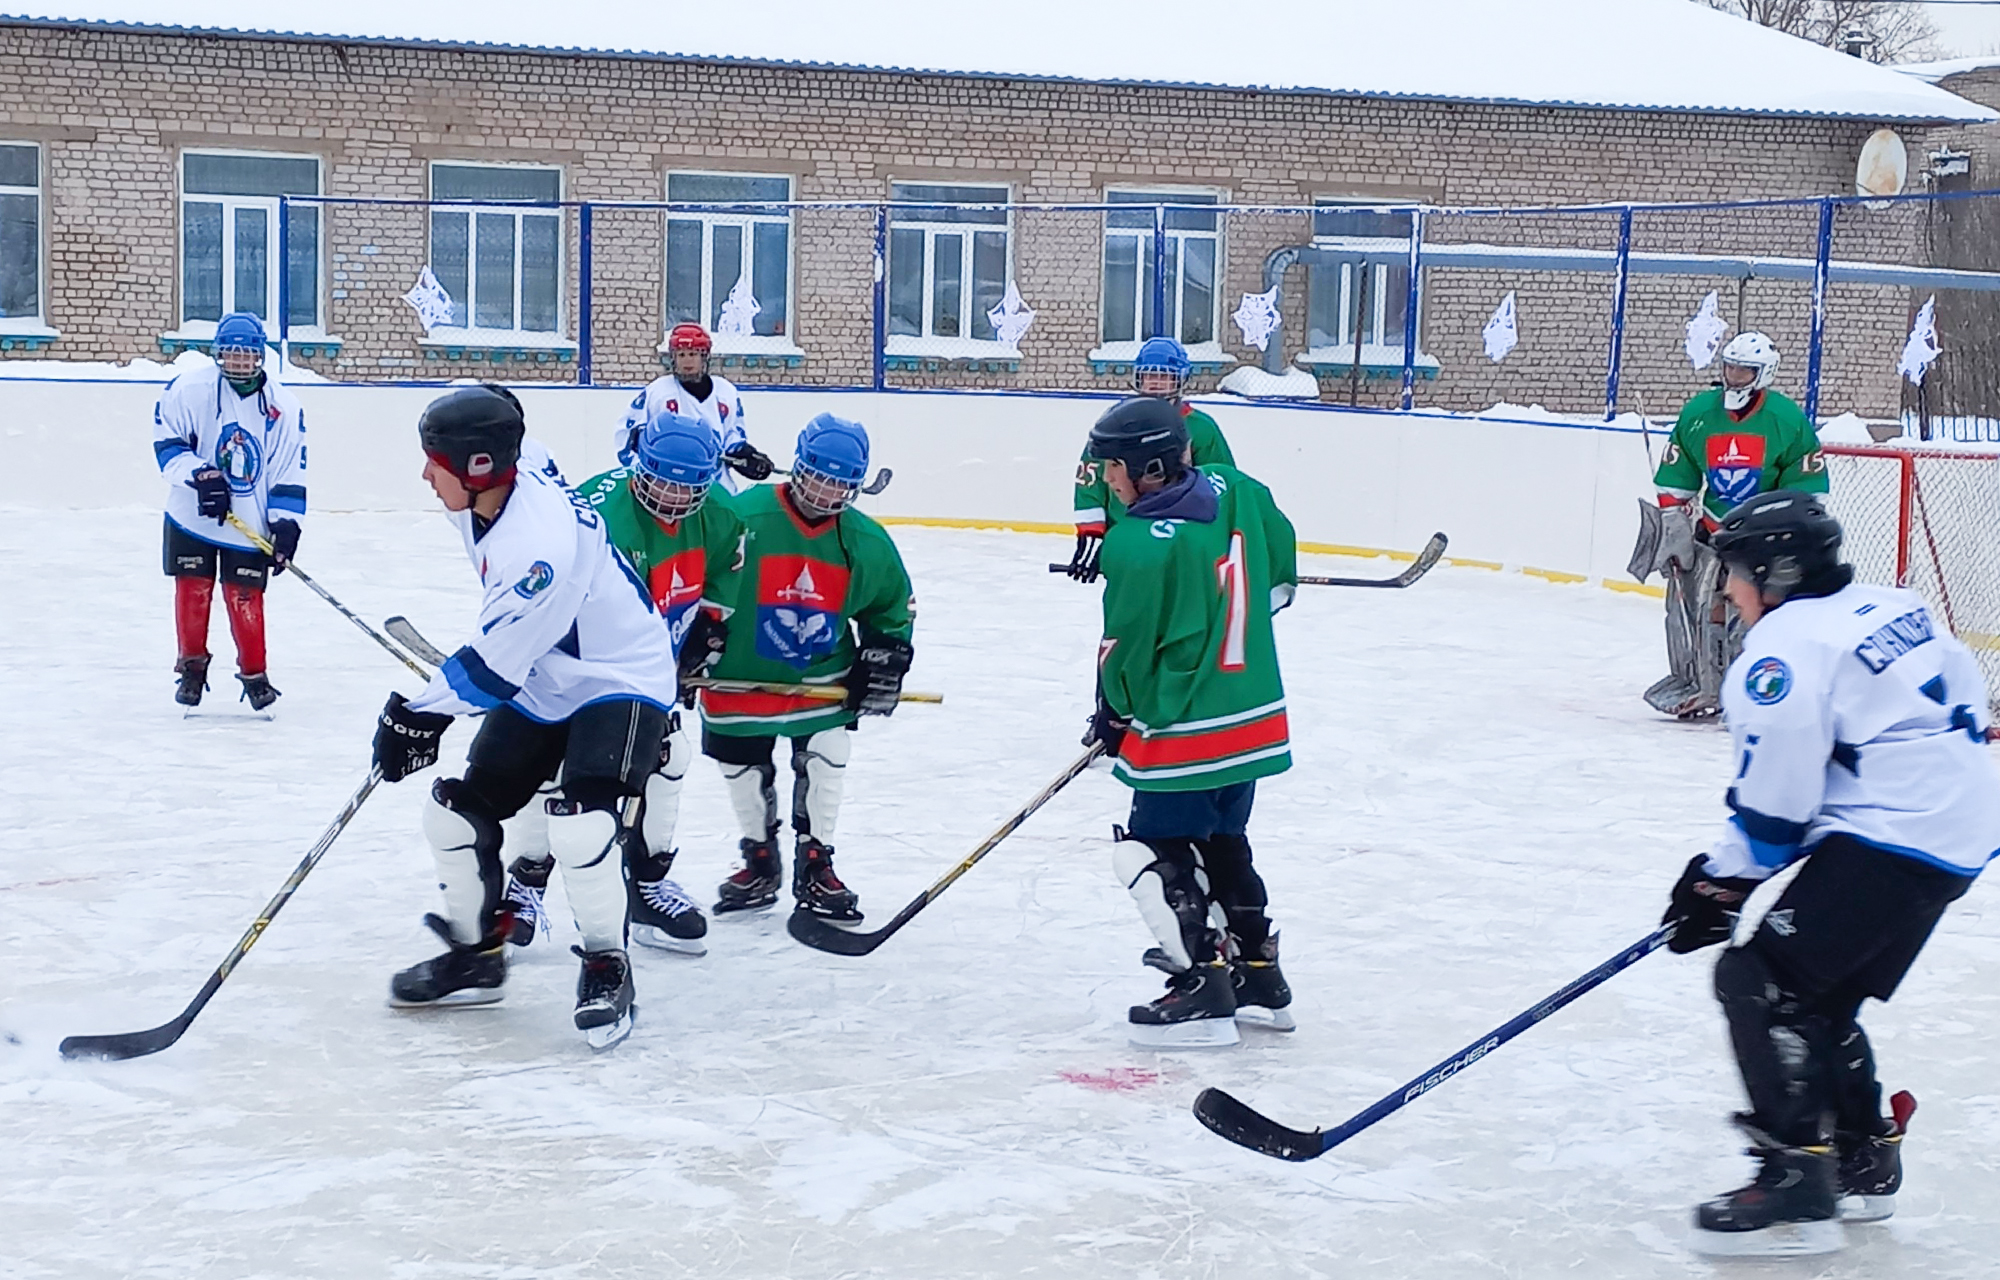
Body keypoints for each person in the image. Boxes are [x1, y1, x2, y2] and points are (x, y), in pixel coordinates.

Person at [1659, 490, 2000, 1256]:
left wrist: (1720, 883)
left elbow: (1776, 805)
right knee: (1814, 996)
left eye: (1732, 573)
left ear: (1771, 574)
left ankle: (1795, 1186)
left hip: (1900, 837)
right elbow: (1957, 703)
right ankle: (1862, 1157)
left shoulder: (1779, 654)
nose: (1726, 590)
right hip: (1962, 825)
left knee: (1756, 979)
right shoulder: (1890, 603)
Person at [371, 385, 681, 1051]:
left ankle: (607, 965)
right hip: (548, 670)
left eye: (436, 463)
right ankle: (477, 955)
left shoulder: (535, 550)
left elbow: (490, 672)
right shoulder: (515, 466)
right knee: (454, 811)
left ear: (479, 467)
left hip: (621, 674)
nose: (425, 476)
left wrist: (414, 717)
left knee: (582, 823)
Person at [1083, 396, 1299, 1048]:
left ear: (1147, 467)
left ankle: (1203, 979)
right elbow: (1280, 564)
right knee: (1224, 842)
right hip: (1253, 716)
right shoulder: (1238, 488)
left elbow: (1125, 648)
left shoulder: (1135, 547)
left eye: (1112, 468)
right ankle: (1259, 975)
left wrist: (1115, 711)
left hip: (1186, 729)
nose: (1106, 480)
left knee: (1150, 848)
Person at [500, 410, 747, 957]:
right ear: (638, 465)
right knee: (550, 769)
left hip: (648, 671)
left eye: (690, 487)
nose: (676, 498)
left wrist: (707, 632)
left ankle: (647, 886)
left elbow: (724, 578)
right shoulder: (595, 513)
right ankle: (525, 883)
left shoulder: (722, 517)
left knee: (669, 758)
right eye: (662, 480)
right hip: (579, 666)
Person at [699, 412, 915, 922]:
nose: (826, 494)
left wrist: (886, 655)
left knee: (828, 753)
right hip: (736, 671)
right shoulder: (742, 515)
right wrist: (688, 638)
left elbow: (891, 605)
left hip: (821, 679)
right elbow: (696, 578)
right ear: (798, 469)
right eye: (819, 478)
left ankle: (816, 861)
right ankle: (759, 858)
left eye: (841, 485)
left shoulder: (865, 540)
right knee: (740, 766)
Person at [1640, 331, 1827, 719]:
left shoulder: (1787, 419)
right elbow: (1679, 472)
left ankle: (1754, 690)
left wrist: (1786, 532)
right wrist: (1674, 519)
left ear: (1764, 374)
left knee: (1755, 616)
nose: (1734, 376)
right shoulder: (1700, 412)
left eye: (1744, 370)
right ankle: (1701, 683)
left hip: (1763, 537)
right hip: (1712, 530)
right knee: (1692, 609)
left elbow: (1806, 487)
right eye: (1730, 367)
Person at [152, 311, 304, 712]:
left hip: (247, 522)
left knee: (245, 596)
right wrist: (200, 476)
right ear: (218, 354)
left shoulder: (284, 407)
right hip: (191, 515)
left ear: (260, 356)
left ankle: (255, 675)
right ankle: (191, 670)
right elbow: (167, 445)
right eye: (230, 353)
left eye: (246, 354)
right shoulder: (189, 389)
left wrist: (286, 525)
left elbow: (287, 468)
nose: (238, 361)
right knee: (193, 590)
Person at [1067, 336, 1235, 583]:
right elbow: (1091, 476)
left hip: (1180, 539)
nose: (1156, 383)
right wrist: (1092, 532)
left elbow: (1220, 483)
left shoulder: (1201, 428)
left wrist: (1214, 540)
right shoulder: (1117, 423)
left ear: (1180, 379)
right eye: (1149, 375)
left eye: (1165, 376)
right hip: (1126, 534)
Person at [616, 322, 773, 493]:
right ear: (673, 358)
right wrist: (646, 461)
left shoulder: (726, 392)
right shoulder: (659, 391)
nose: (687, 360)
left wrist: (744, 454)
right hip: (670, 484)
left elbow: (732, 435)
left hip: (716, 486)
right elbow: (626, 433)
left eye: (693, 354)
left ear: (705, 356)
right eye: (681, 354)